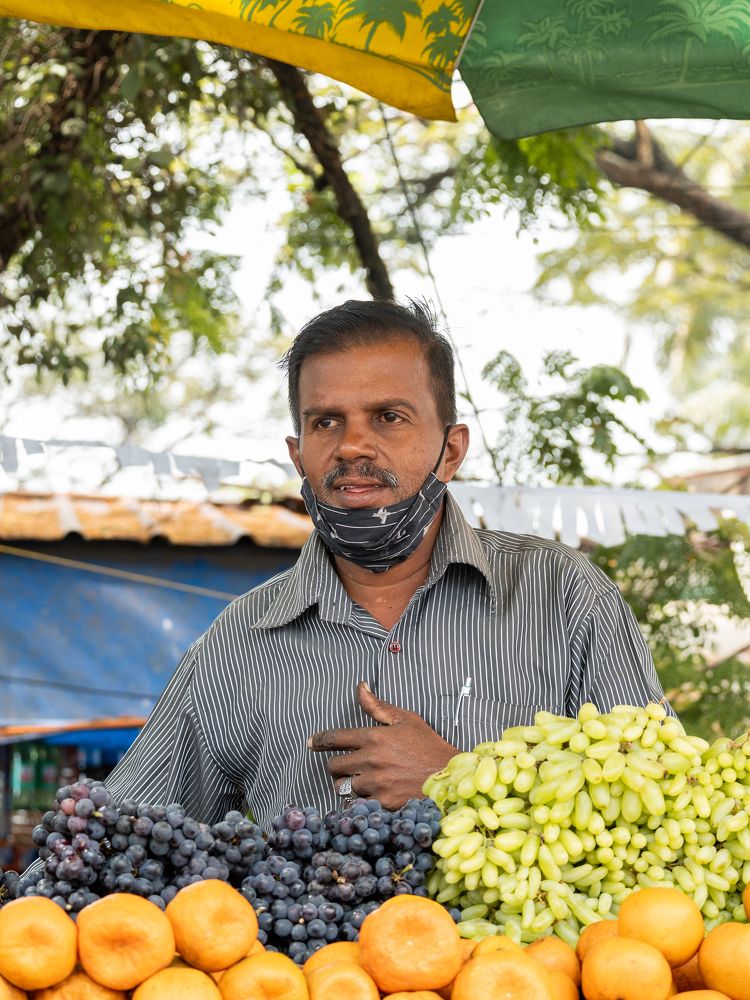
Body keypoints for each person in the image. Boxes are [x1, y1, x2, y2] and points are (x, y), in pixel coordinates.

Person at [105, 299, 668, 829]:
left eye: (388, 417)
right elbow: (120, 835)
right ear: (298, 453)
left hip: (519, 939)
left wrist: (462, 782)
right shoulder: (240, 644)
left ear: (451, 450)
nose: (352, 446)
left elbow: (668, 808)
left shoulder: (563, 597)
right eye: (325, 422)